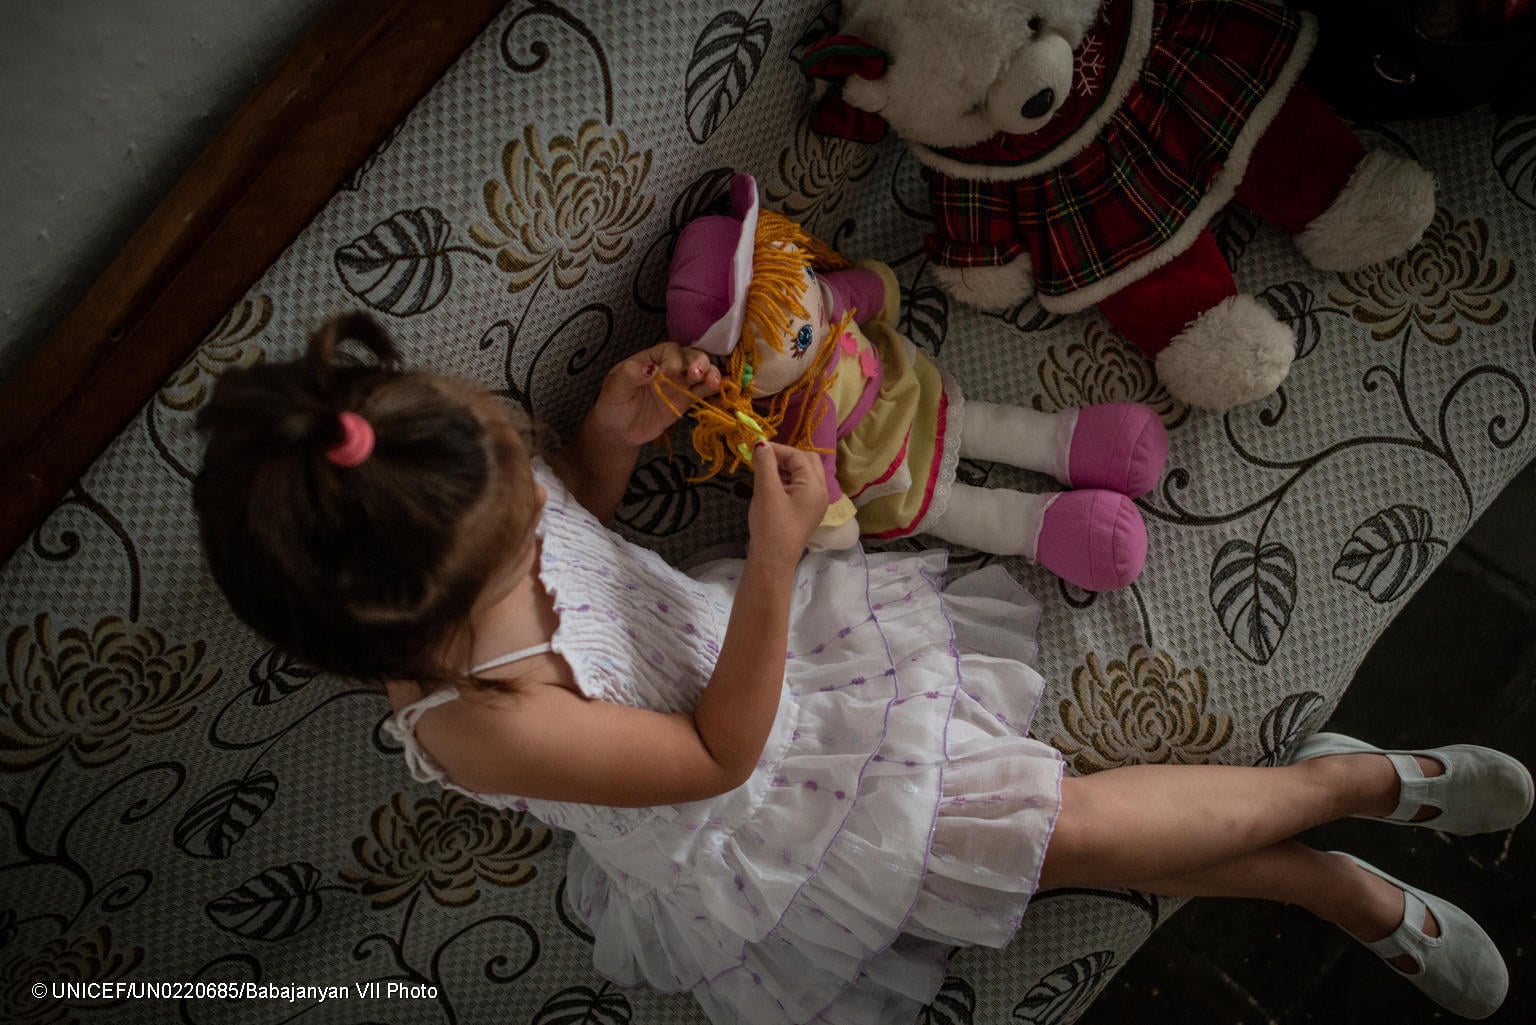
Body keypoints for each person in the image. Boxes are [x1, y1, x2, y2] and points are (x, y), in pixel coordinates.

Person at [193, 313, 1532, 1024]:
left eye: (524, 476)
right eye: (519, 514)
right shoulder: (477, 725)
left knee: (1067, 839)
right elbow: (714, 754)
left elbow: (579, 543)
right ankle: (1353, 797)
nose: (539, 501)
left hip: (783, 679)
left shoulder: (467, 488)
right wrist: (775, 559)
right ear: (404, 623)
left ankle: (1320, 869)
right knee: (1065, 829)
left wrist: (604, 440)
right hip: (757, 803)